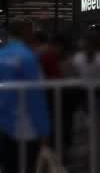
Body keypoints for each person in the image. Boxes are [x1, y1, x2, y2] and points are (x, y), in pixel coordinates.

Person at [0, 21, 51, 173]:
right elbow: (35, 97)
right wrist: (44, 130)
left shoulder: (2, 55)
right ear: (25, 32)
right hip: (25, 126)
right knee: (28, 167)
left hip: (4, 124)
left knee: (8, 167)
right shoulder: (27, 57)